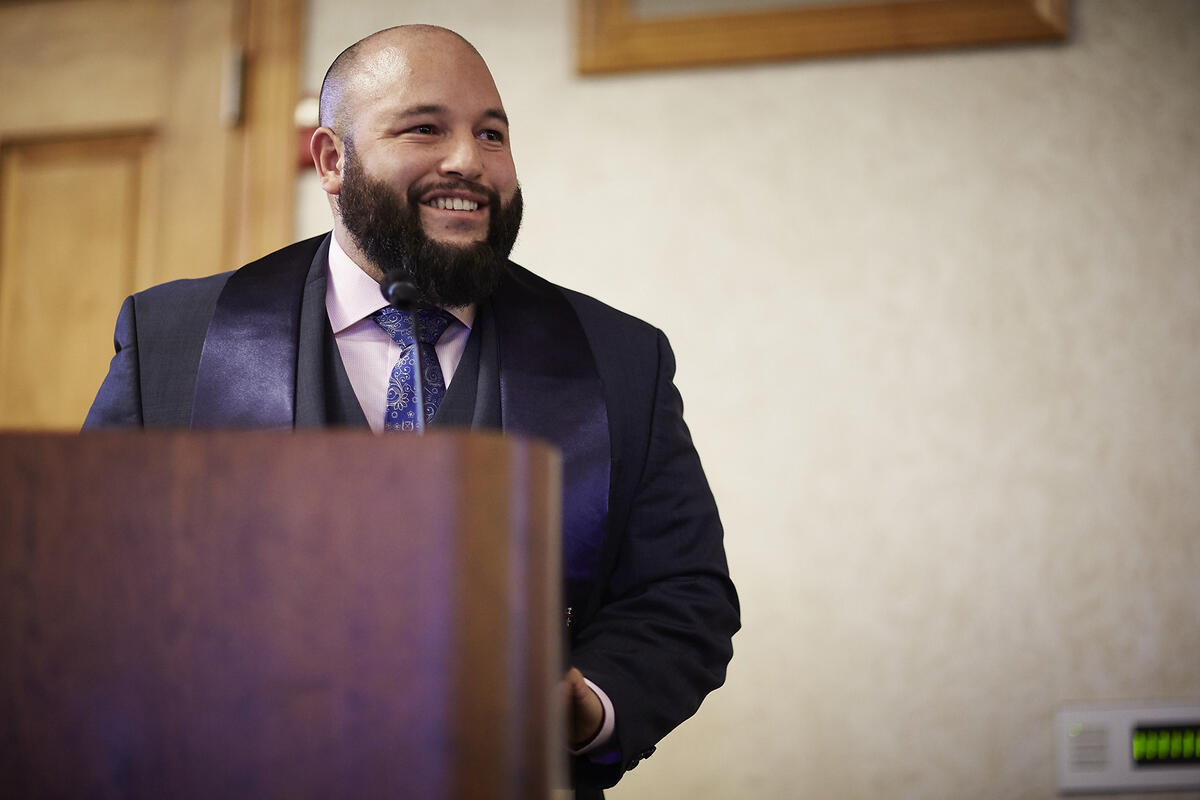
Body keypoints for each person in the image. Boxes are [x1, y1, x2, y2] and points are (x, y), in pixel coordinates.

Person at [84, 24, 738, 797]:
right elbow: (93, 587)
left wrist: (582, 706)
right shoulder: (172, 339)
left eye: (491, 133)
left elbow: (681, 596)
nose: (468, 159)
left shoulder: (621, 358)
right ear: (332, 160)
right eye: (425, 127)